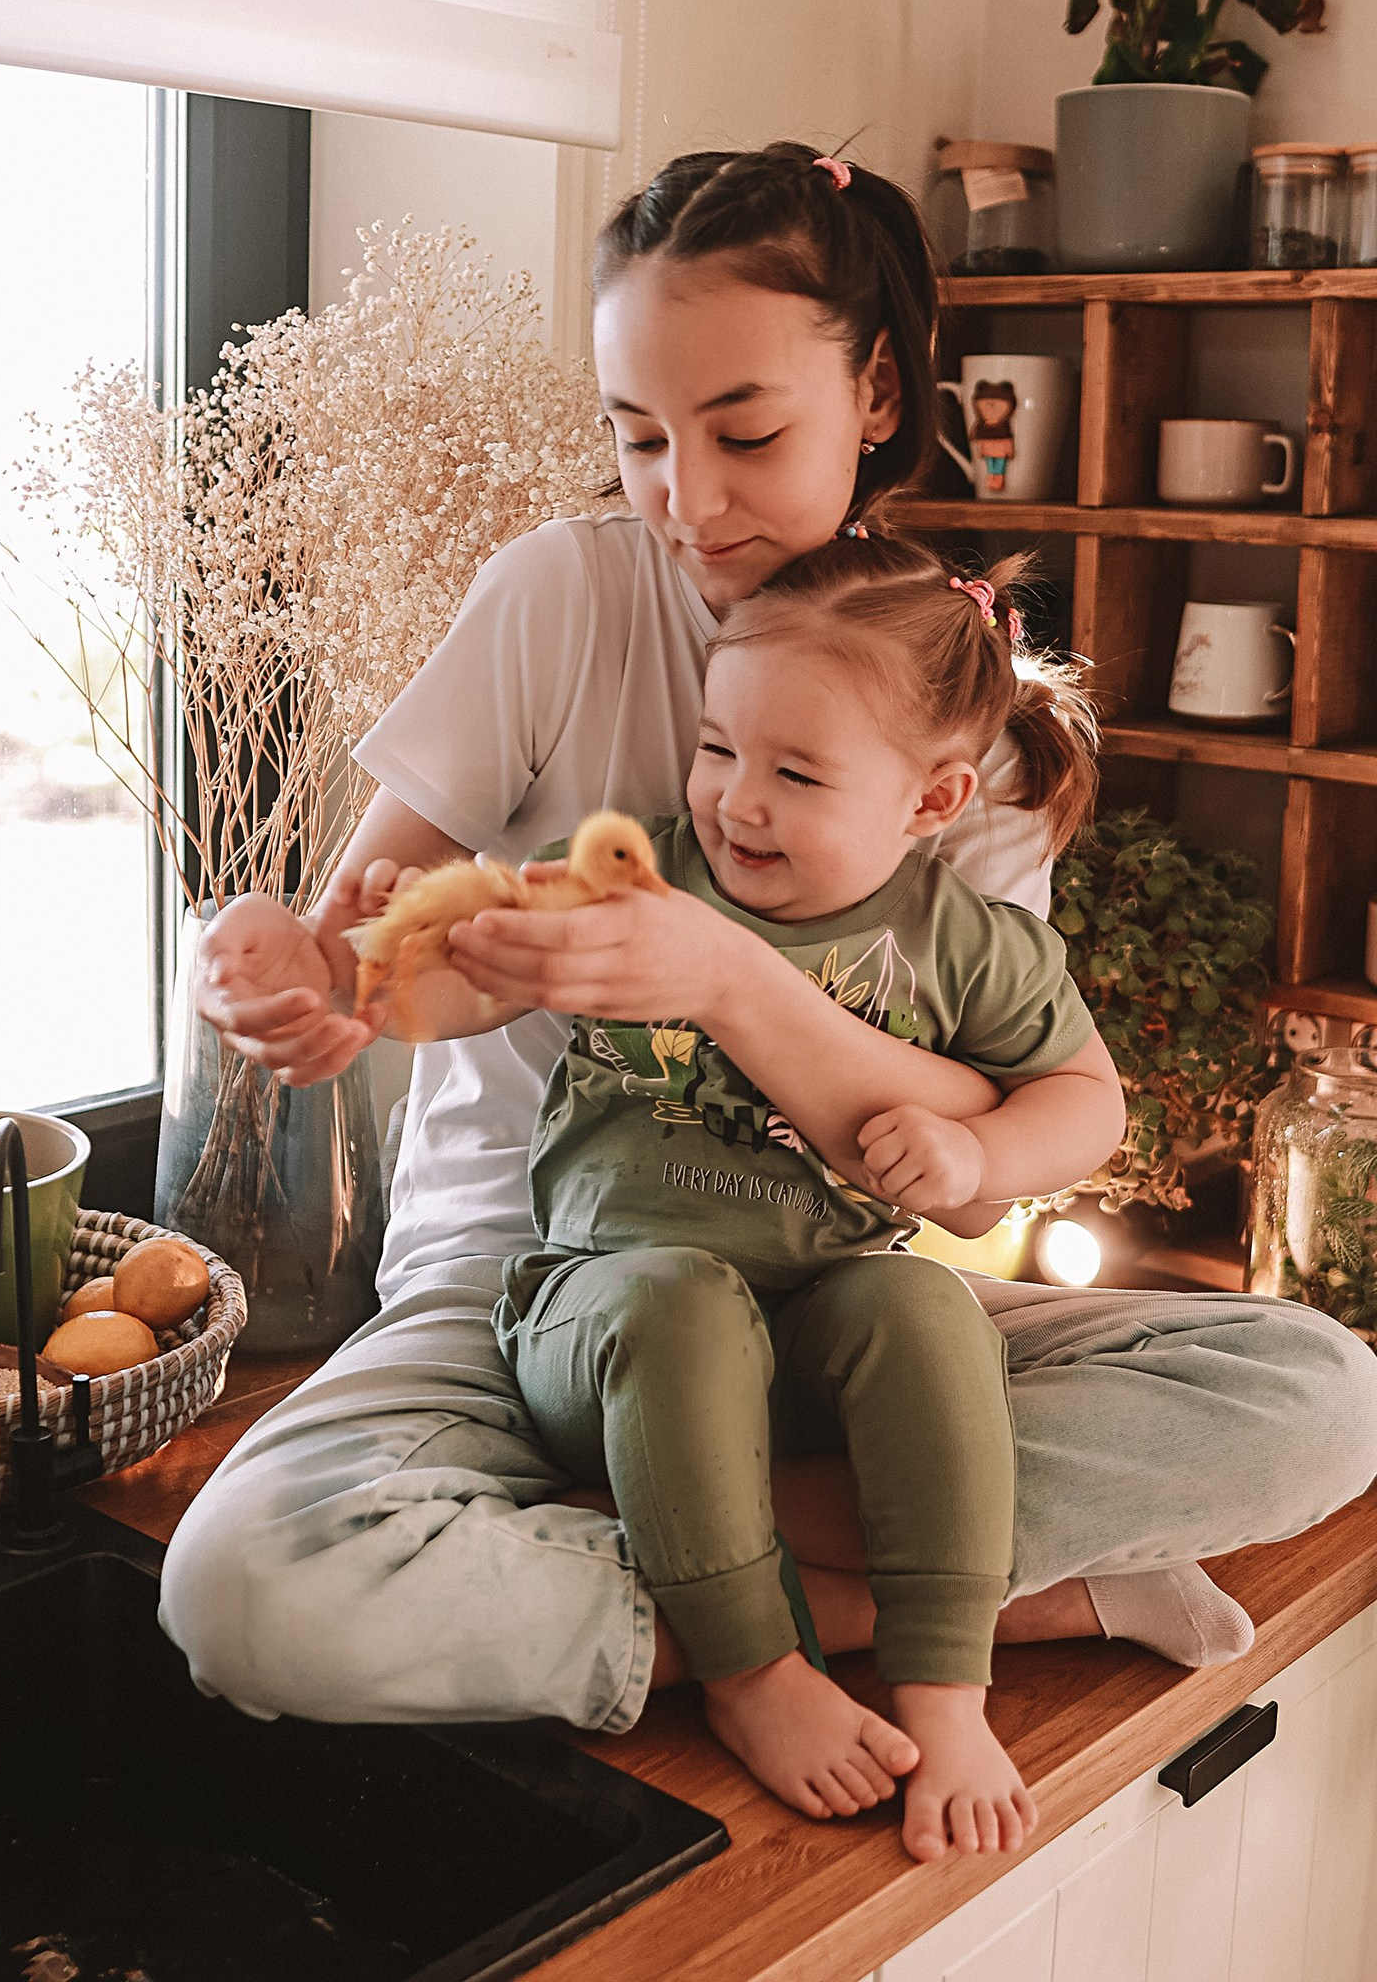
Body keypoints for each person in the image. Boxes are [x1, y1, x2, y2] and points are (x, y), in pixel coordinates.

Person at [160, 142, 1377, 1808]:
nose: (687, 498)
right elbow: (369, 940)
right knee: (243, 1590)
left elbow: (987, 1142)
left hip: (836, 1292)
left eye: (743, 434)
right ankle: (962, 1598)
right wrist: (276, 968)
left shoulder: (957, 720)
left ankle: (656, 1550)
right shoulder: (559, 597)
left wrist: (724, 979)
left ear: (876, 393)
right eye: (638, 435)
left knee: (1320, 1394)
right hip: (524, 1286)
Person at [346, 531, 1122, 1858]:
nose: (735, 801)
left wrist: (983, 1160)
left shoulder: (962, 943)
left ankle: (946, 1687)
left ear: (931, 802)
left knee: (925, 1310)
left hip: (813, 1328)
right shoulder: (635, 879)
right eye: (717, 749)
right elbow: (466, 989)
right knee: (682, 1301)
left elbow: (1087, 1101)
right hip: (606, 1320)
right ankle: (752, 1668)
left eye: (796, 773)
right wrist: (417, 943)